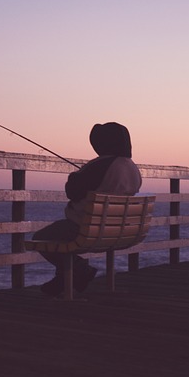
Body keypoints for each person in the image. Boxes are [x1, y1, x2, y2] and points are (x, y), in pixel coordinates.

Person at [32, 122, 142, 296]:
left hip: (85, 229)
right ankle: (66, 277)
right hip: (116, 232)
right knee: (57, 236)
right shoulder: (133, 168)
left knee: (40, 238)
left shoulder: (101, 165)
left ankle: (80, 270)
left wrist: (74, 176)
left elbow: (73, 192)